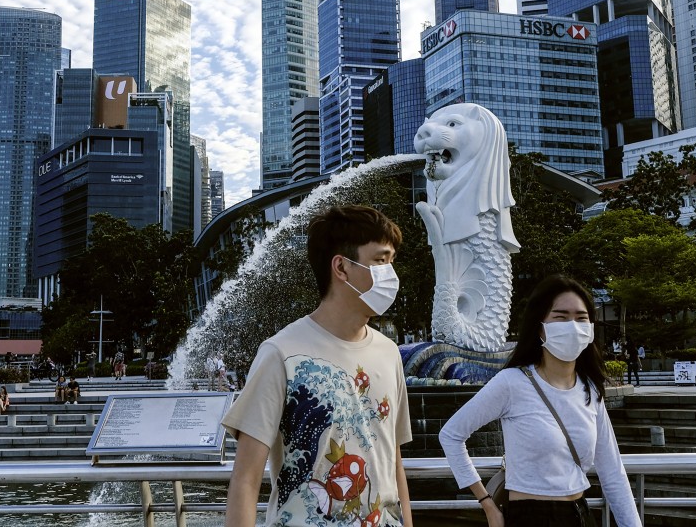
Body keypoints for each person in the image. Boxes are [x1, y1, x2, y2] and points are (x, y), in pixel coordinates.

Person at [222, 204, 413, 526]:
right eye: (380, 261)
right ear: (341, 267)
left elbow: (391, 461)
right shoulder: (281, 354)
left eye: (392, 261)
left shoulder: (389, 352)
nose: (390, 275)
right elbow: (245, 481)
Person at [439, 274, 640, 527]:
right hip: (530, 516)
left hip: (581, 513)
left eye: (581, 318)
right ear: (540, 326)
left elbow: (612, 472)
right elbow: (451, 435)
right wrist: (487, 504)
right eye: (561, 316)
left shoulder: (589, 390)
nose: (573, 325)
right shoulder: (512, 382)